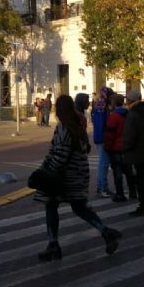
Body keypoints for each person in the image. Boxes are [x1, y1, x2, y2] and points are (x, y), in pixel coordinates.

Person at [33, 94, 121, 262]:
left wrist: (46, 170)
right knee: (80, 207)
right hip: (78, 174)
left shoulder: (63, 127)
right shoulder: (77, 125)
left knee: (51, 205)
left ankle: (53, 244)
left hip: (65, 176)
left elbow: (60, 155)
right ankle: (105, 232)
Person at [122, 90, 144, 216]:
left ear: (131, 100)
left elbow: (129, 135)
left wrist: (124, 147)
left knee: (140, 179)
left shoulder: (133, 114)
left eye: (127, 99)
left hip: (136, 151)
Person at [104, 94, 137, 202]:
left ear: (114, 103)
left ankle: (120, 194)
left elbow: (110, 135)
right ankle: (133, 192)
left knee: (117, 172)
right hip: (127, 147)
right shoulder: (128, 114)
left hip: (116, 148)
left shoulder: (113, 116)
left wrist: (107, 147)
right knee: (128, 171)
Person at [92, 87, 115, 198]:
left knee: (102, 163)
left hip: (99, 138)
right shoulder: (102, 107)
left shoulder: (99, 106)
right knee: (104, 164)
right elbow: (101, 125)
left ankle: (100, 187)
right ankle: (103, 188)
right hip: (103, 139)